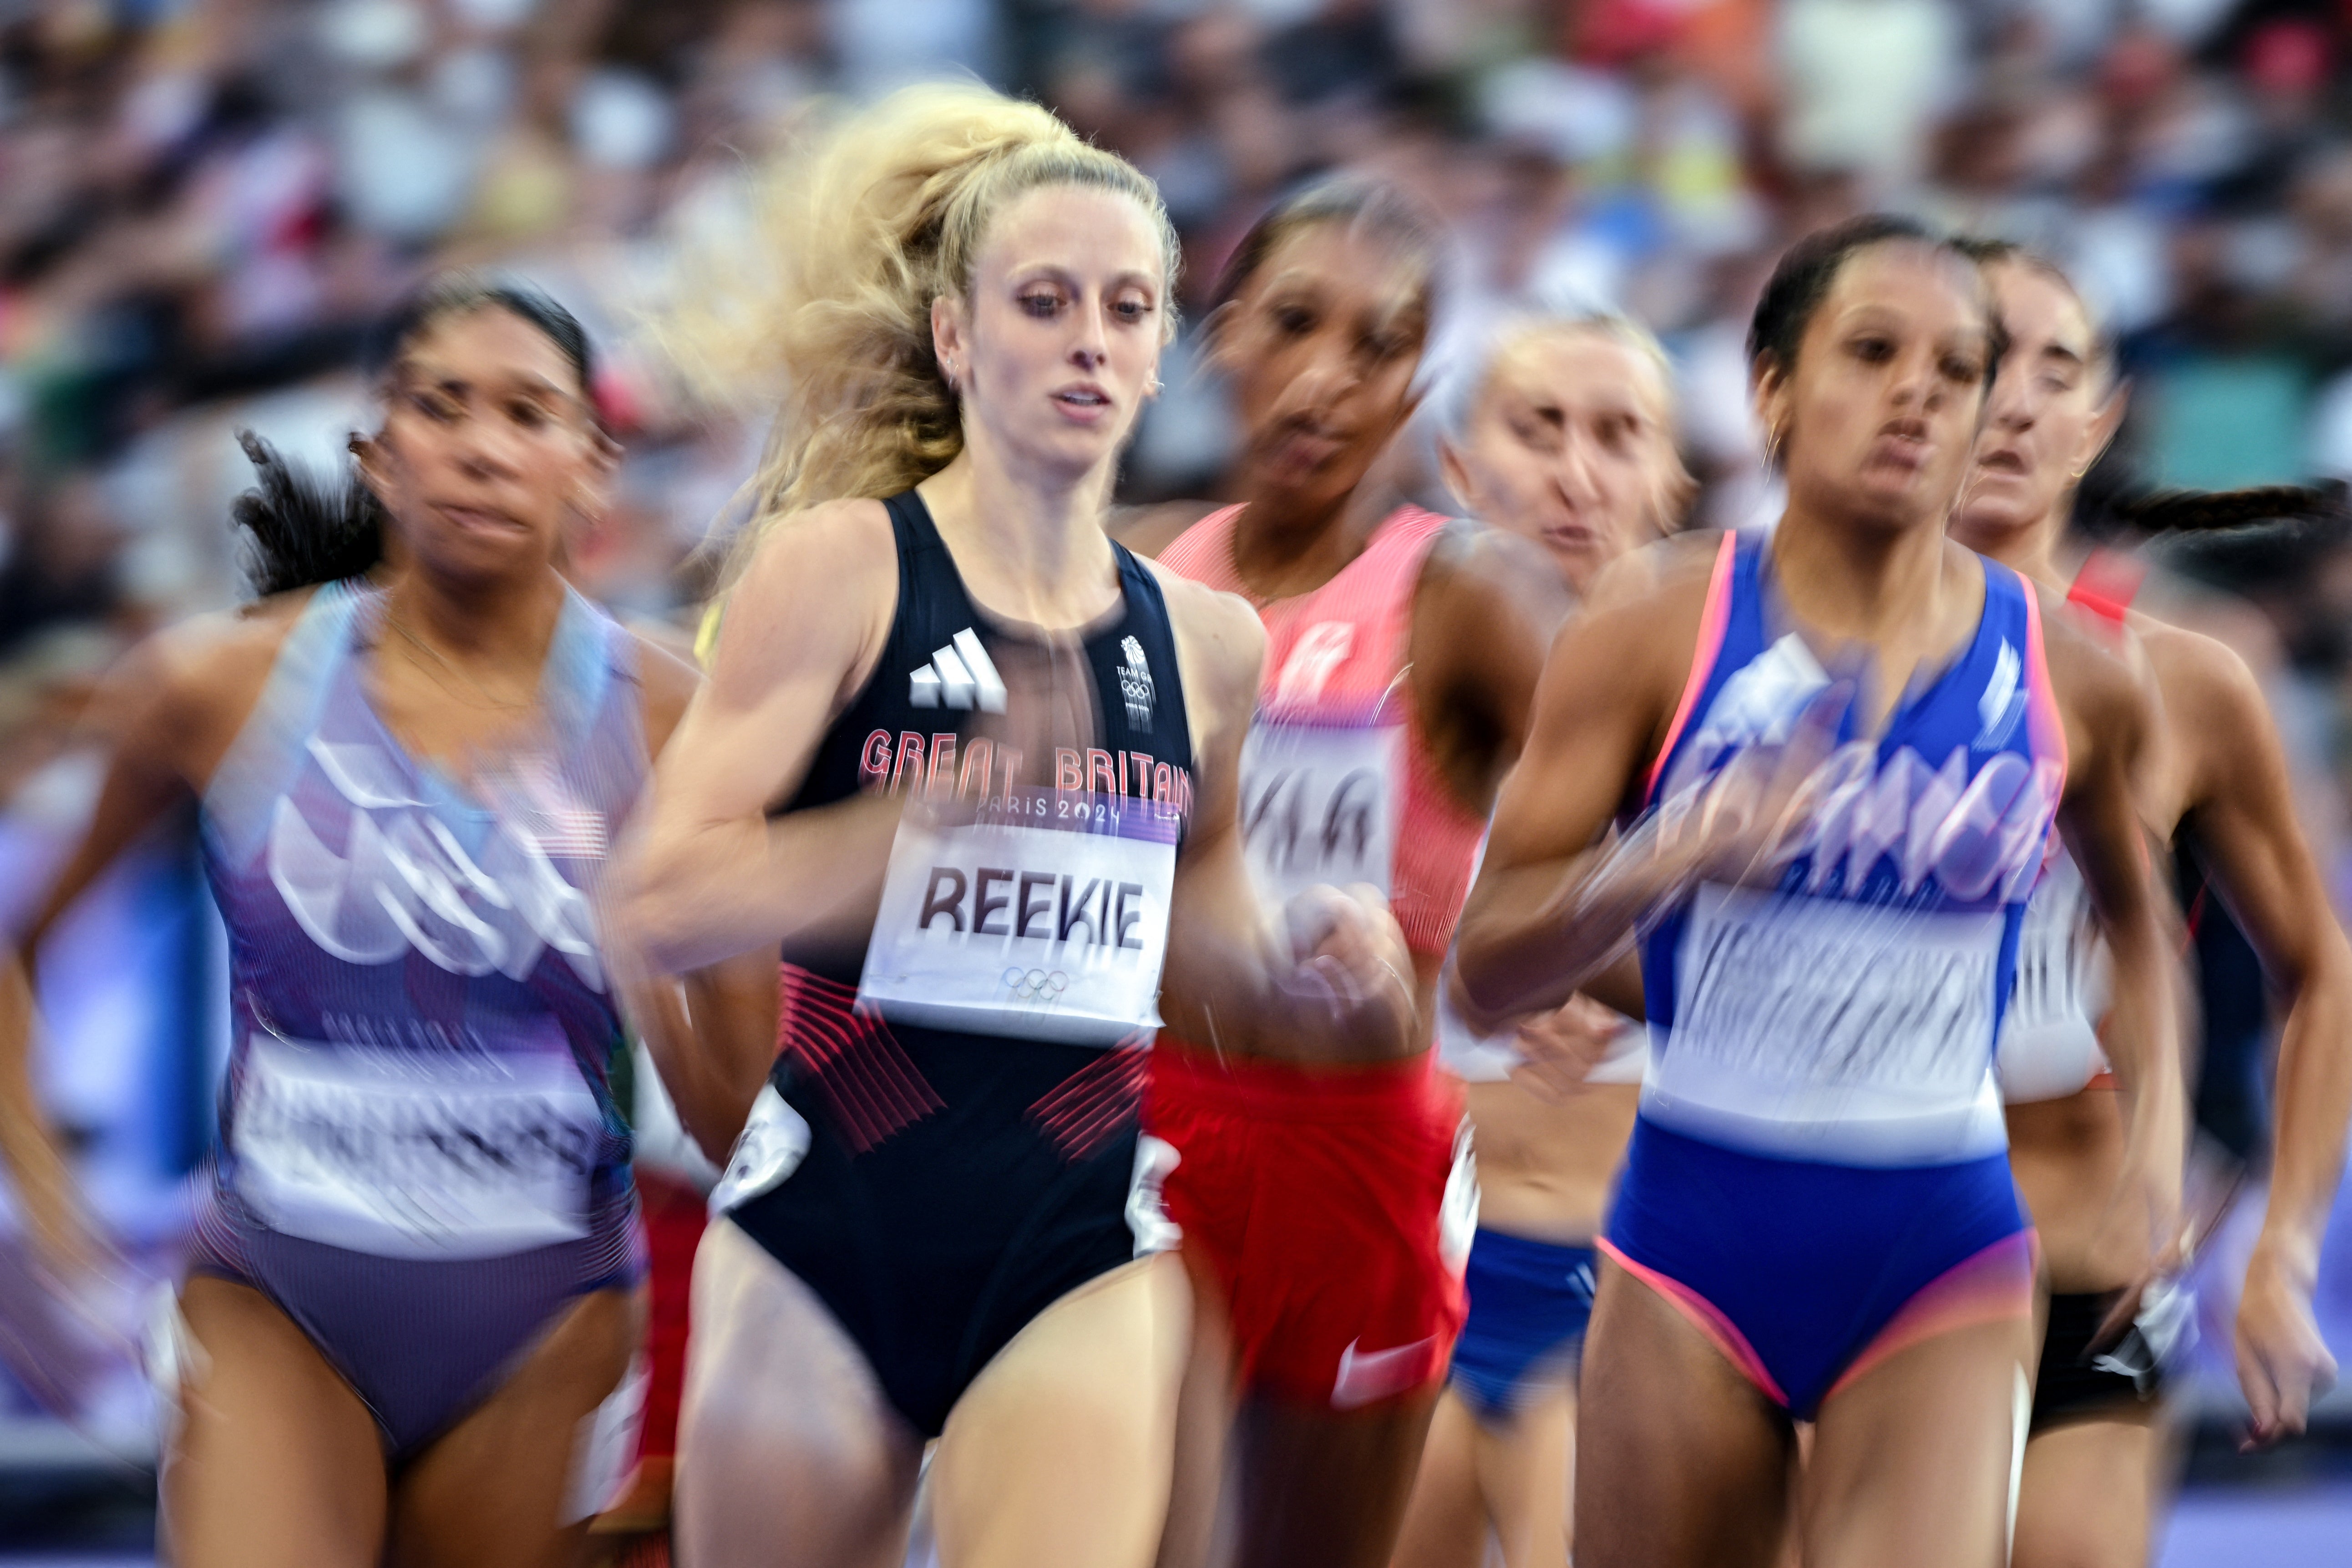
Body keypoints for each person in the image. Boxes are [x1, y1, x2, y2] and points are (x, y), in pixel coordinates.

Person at [608, 85, 1415, 1568]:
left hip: (1073, 1230)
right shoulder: (837, 574)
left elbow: (1207, 909)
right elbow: (654, 899)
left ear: (1165, 345)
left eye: (1125, 306)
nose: (1089, 339)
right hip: (824, 1229)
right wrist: (905, 825)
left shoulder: (1206, 646)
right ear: (958, 338)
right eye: (1043, 302)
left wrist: (1306, 955)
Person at [1451, 214, 2185, 1568]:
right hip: (1691, 1239)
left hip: (1941, 1245)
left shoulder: (2076, 676)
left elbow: (2141, 925)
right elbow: (1484, 973)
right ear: (1774, 390)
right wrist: (1658, 858)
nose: (1919, 391)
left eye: (1957, 369)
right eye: (1873, 351)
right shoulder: (1651, 628)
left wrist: (2159, 1139)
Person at [0, 275, 737, 1568]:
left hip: (549, 1317)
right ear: (376, 454)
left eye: (527, 412)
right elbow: (18, 947)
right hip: (280, 1296)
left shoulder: (678, 717)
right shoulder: (214, 681)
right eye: (440, 406)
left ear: (592, 464)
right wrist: (64, 1243)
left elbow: (742, 1116)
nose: (481, 444)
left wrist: (657, 942)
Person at [1111, 178, 1568, 1568]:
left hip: (1362, 1153)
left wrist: (1554, 951)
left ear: (1415, 382)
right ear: (1222, 336)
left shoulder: (1471, 594)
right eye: (1296, 324)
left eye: (1377, 347)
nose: (1326, 380)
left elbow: (1629, 826)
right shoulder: (1132, 565)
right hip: (1151, 1130)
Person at [1951, 241, 2352, 1568]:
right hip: (1838, 1257)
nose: (2013, 402)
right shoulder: (1775, 648)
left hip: (2090, 1274)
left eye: (2054, 370)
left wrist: (2278, 1244)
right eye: (1984, 361)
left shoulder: (2188, 671)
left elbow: (2319, 973)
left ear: (2099, 420)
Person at [1389, 313, 1694, 1568]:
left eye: (1619, 436)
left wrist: (1617, 971)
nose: (1578, 475)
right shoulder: (1372, 700)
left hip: (1640, 1289)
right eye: (1539, 430)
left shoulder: (1739, 711)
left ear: (1672, 473)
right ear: (1461, 469)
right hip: (1417, 1269)